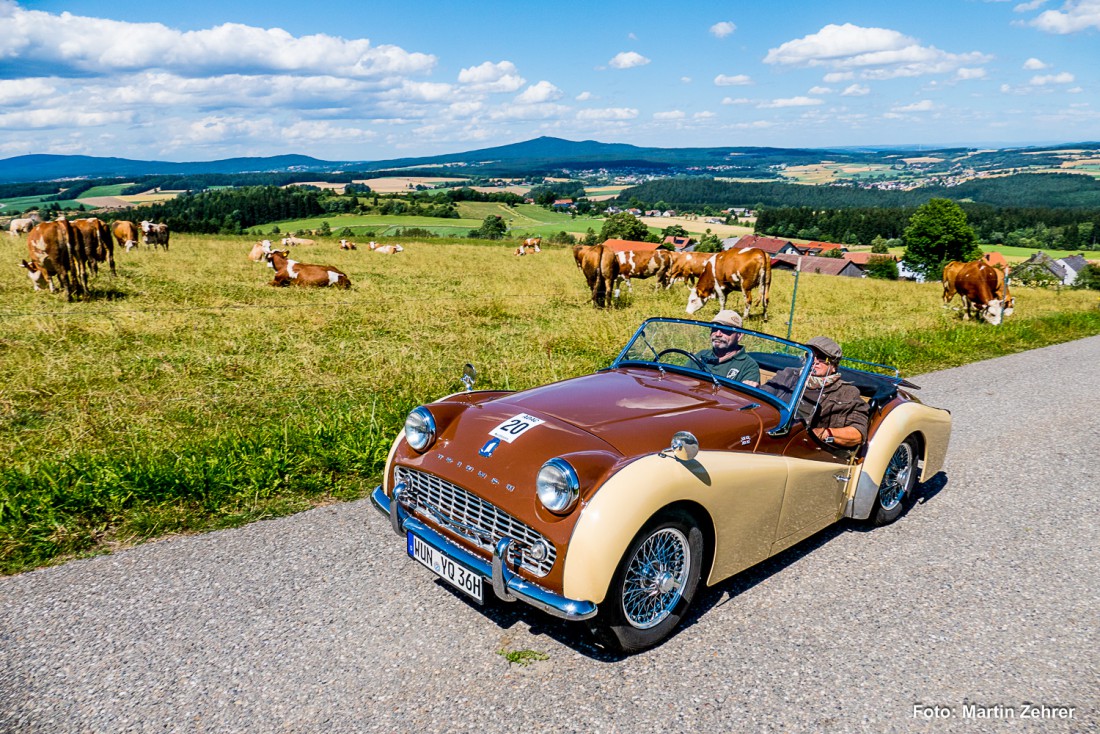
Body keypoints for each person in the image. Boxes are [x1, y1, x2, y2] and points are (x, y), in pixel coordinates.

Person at [761, 336, 869, 448]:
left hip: (809, 449)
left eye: (821, 358)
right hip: (772, 433)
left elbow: (858, 434)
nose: (814, 361)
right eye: (810, 355)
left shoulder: (847, 393)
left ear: (833, 365)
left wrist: (825, 433)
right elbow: (762, 397)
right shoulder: (788, 375)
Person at [695, 310, 760, 386]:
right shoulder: (702, 354)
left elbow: (743, 396)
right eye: (714, 328)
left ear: (739, 335)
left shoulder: (748, 366)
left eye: (725, 330)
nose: (718, 334)